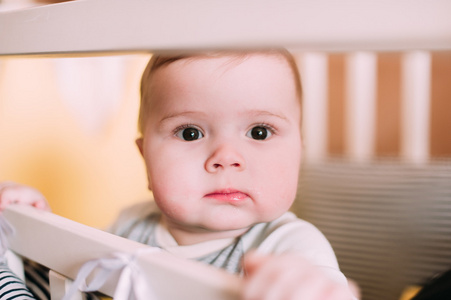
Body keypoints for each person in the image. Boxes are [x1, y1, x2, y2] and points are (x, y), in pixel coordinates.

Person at [0, 50, 357, 299]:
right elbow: (76, 279)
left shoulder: (289, 246)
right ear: (145, 160)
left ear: (300, 152)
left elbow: (317, 284)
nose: (226, 158)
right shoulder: (133, 225)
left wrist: (306, 290)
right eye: (190, 133)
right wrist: (31, 225)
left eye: (259, 132)